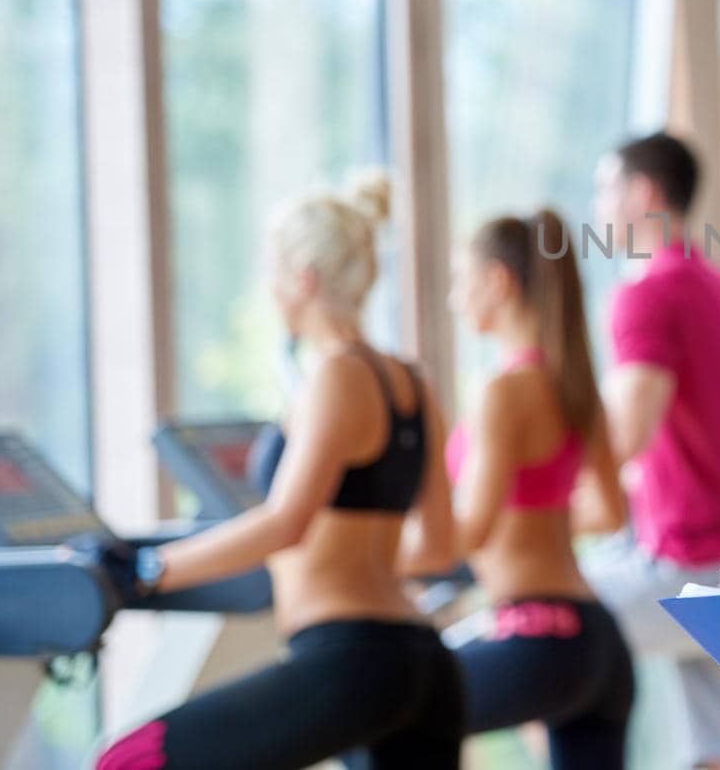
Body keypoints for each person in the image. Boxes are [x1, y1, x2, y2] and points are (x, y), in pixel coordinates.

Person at [93, 172, 464, 770]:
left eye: (271, 272)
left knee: (130, 761)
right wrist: (349, 557)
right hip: (420, 659)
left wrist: (146, 570)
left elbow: (285, 523)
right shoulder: (413, 382)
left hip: (352, 659)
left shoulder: (336, 376)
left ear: (304, 279)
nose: (268, 288)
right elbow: (438, 543)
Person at [584, 131, 720, 770]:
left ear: (643, 193)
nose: (597, 206)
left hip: (691, 569)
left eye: (605, 188)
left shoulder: (646, 294)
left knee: (539, 620)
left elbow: (621, 436)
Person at [443, 208, 636, 768]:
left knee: (382, 718)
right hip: (597, 641)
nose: (456, 299)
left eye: (461, 280)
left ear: (497, 281)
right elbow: (607, 511)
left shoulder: (503, 391)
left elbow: (469, 530)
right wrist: (530, 521)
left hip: (539, 633)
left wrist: (374, 544)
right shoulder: (574, 386)